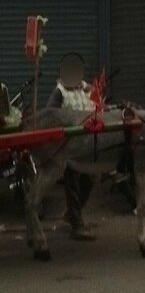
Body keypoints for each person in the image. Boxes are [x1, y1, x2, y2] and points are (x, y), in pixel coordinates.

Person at [46, 53, 97, 241]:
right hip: (69, 146)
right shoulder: (59, 92)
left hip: (88, 144)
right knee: (73, 183)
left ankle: (72, 214)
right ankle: (77, 225)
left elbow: (97, 105)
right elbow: (51, 113)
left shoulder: (86, 89)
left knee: (91, 179)